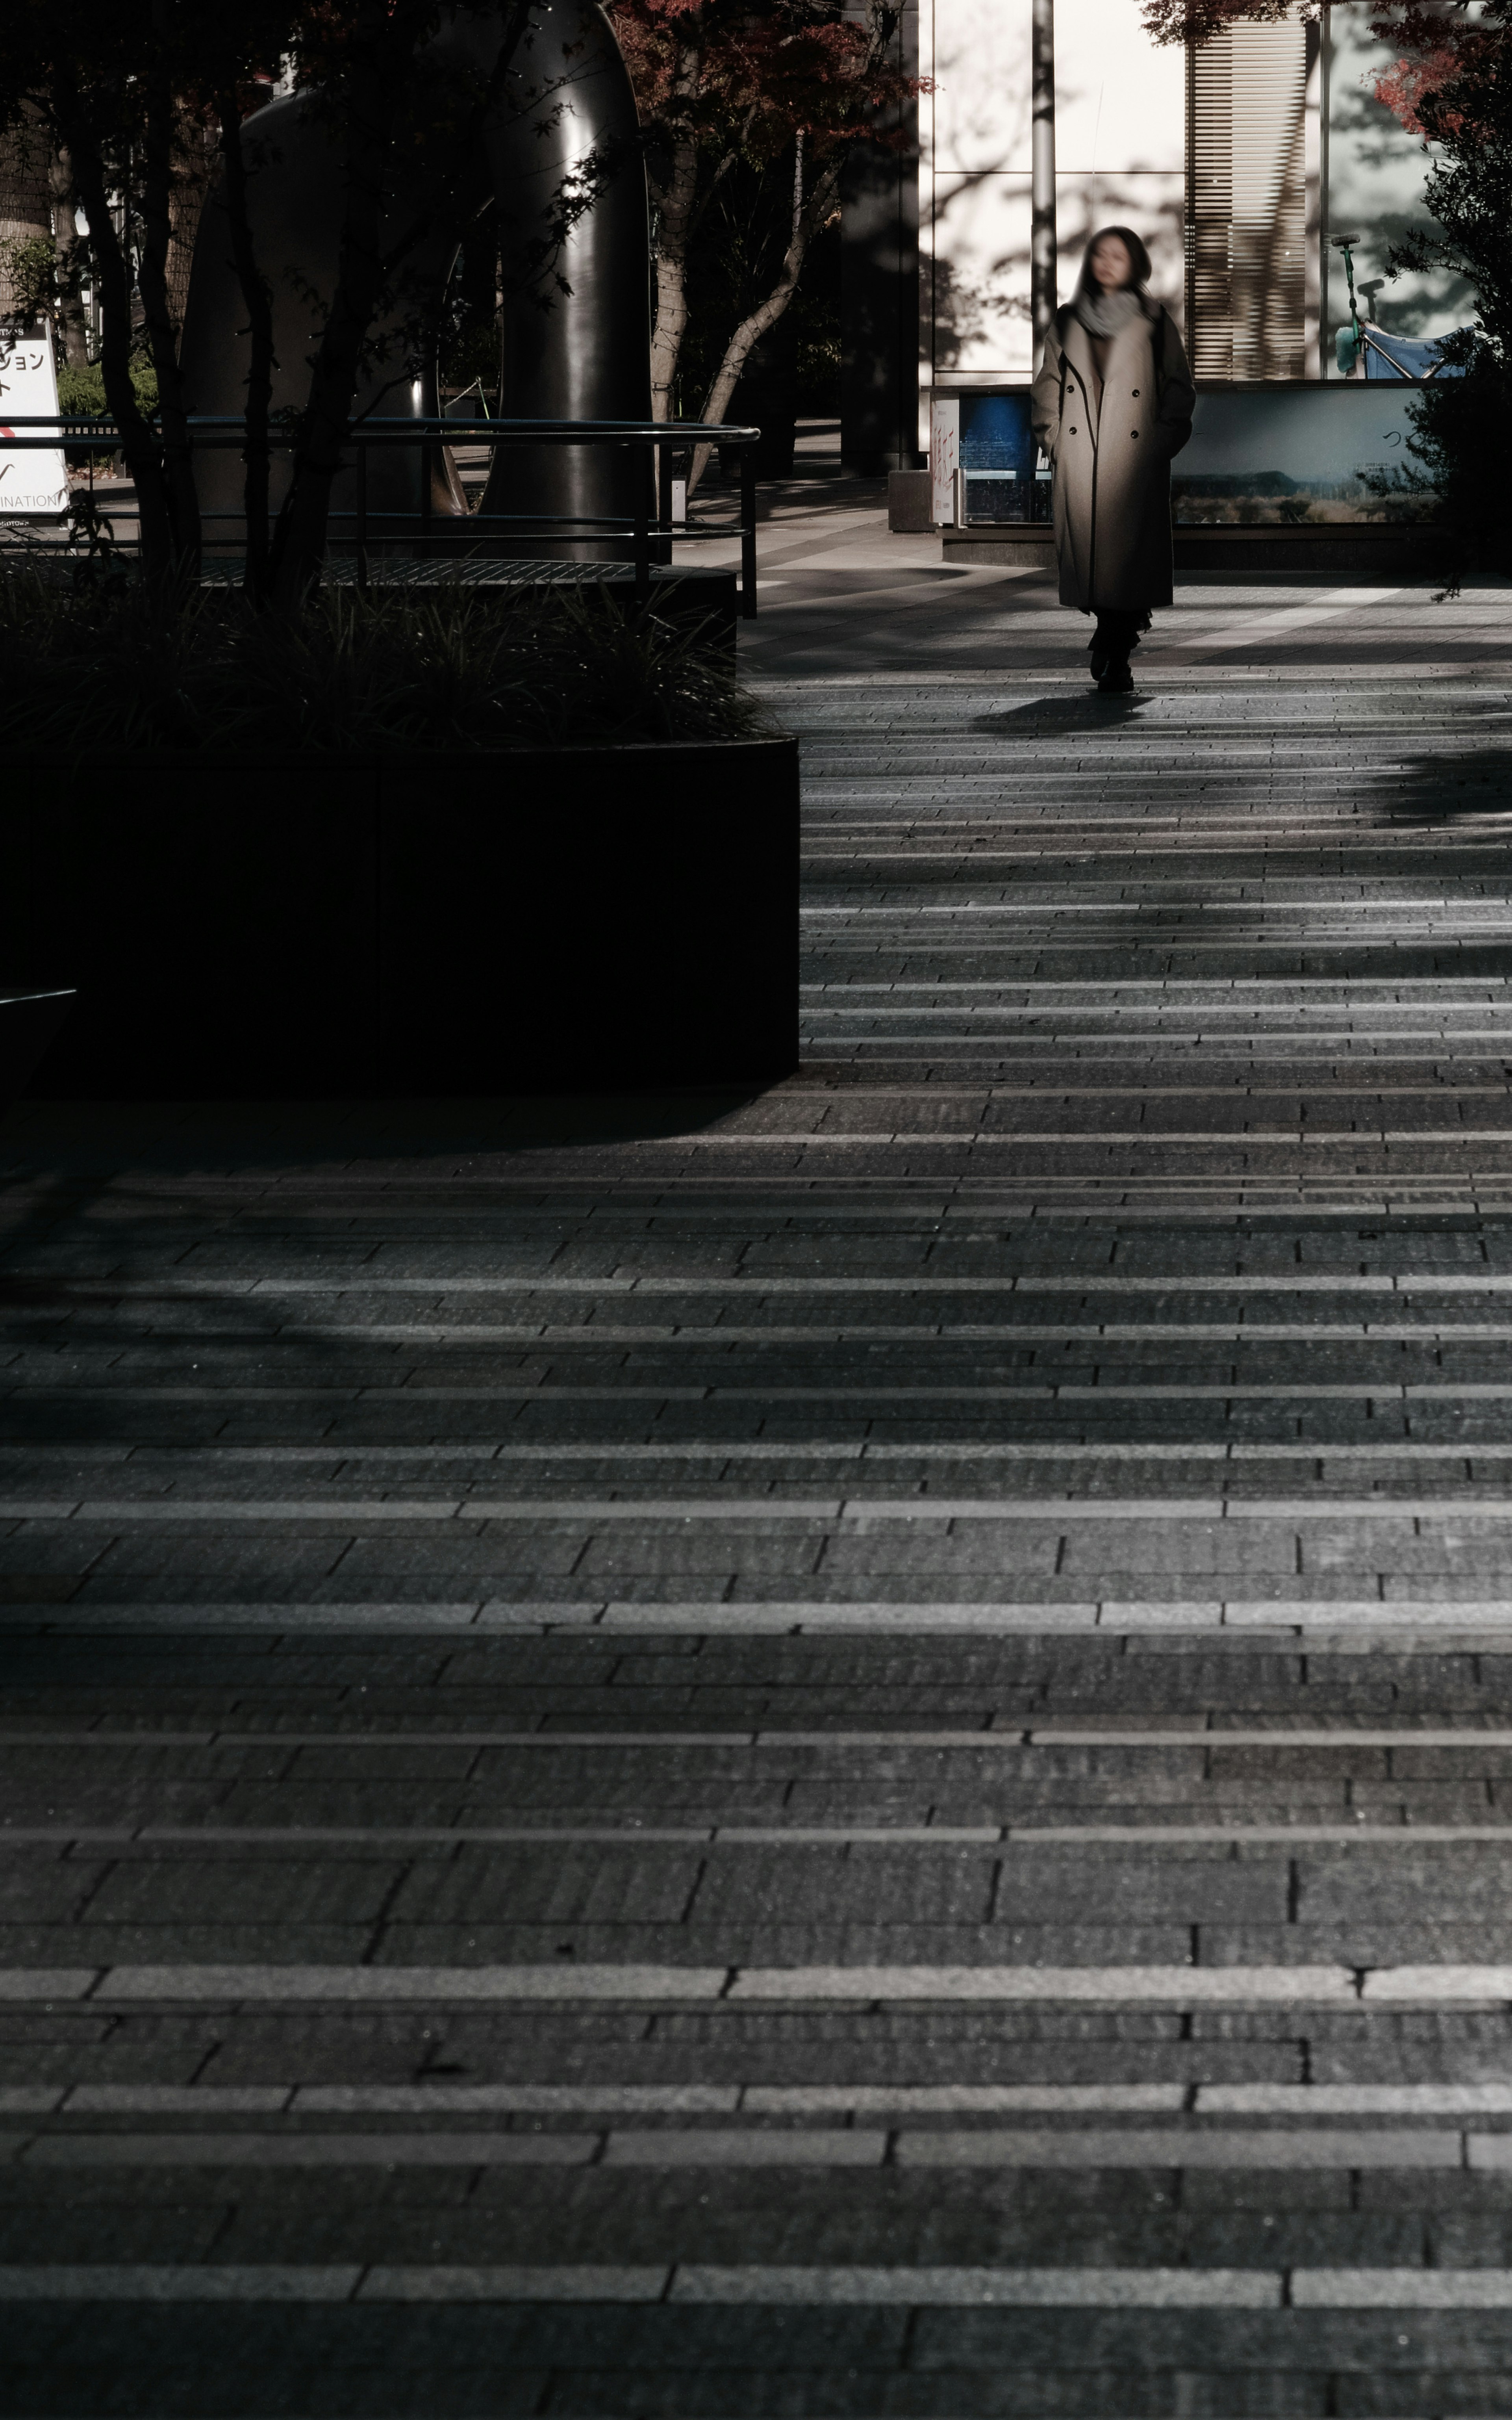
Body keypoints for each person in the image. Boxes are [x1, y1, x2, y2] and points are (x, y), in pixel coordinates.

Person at [1030, 226, 1195, 694]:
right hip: (1083, 457)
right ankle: (1114, 644)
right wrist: (1055, 439)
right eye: (1100, 254)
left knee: (1126, 564)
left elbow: (1179, 390)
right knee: (1096, 560)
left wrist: (1158, 445)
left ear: (1136, 264)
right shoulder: (1067, 320)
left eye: (1118, 256)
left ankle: (1114, 652)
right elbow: (1046, 384)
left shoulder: (1154, 320)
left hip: (1133, 460)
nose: (1107, 263)